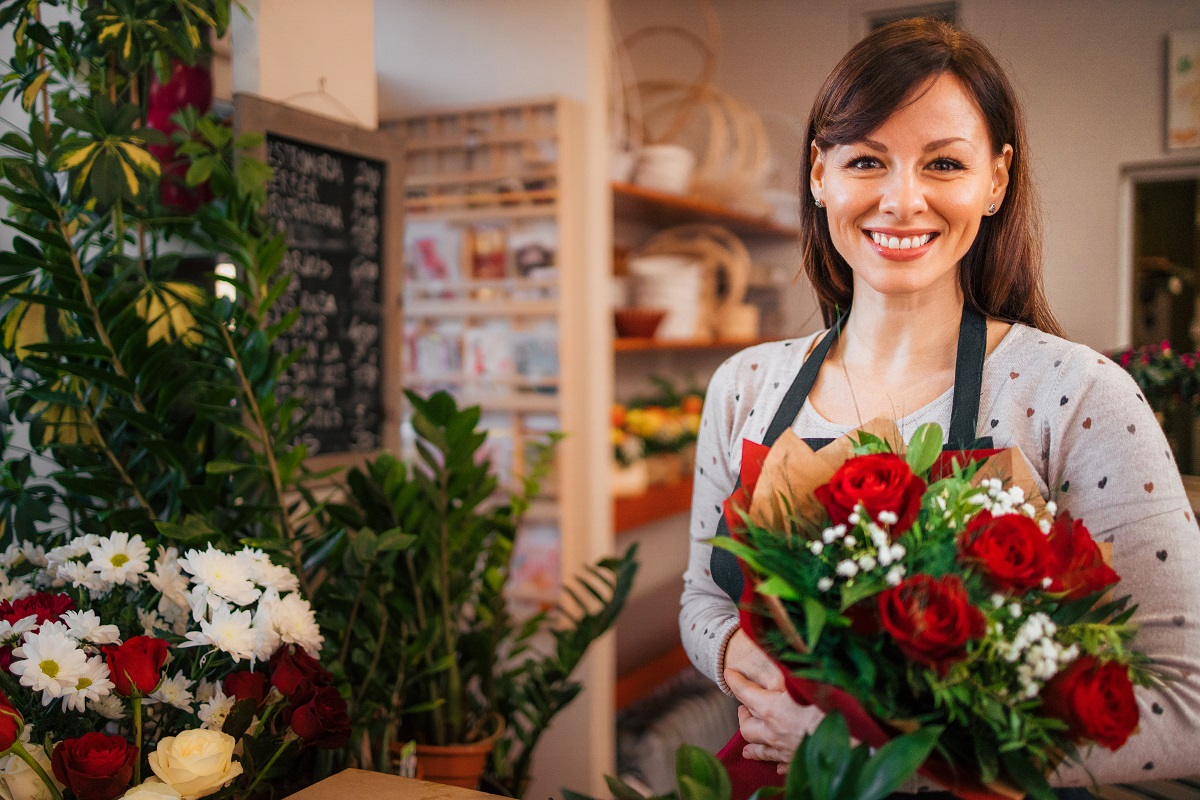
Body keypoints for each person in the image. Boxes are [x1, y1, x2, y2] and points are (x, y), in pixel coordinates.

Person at [680, 17, 1200, 790]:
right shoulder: (744, 386)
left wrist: (879, 756)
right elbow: (702, 597)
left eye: (944, 163)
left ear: (996, 180)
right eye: (866, 160)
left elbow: (1186, 709)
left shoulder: (1078, 397)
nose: (902, 200)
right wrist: (737, 658)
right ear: (820, 174)